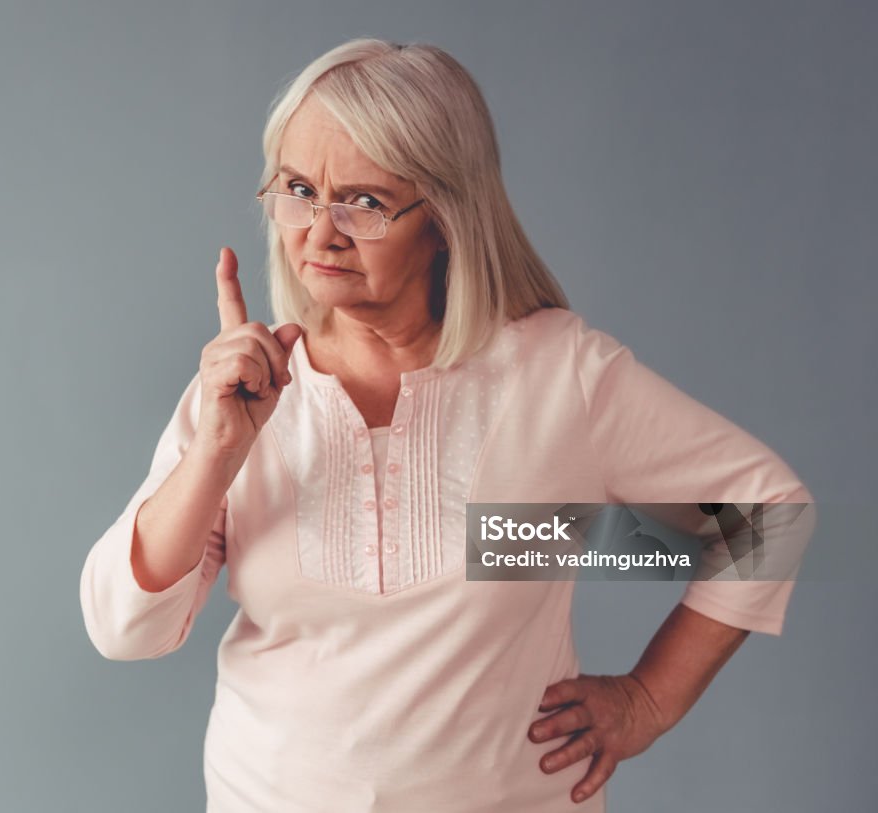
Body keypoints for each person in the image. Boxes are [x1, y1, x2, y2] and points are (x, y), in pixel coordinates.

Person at [79, 38, 814, 811]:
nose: (320, 233)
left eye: (363, 202)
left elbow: (766, 513)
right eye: (297, 188)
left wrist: (647, 700)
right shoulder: (244, 393)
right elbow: (125, 629)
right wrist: (219, 448)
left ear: (445, 219)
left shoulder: (559, 376)